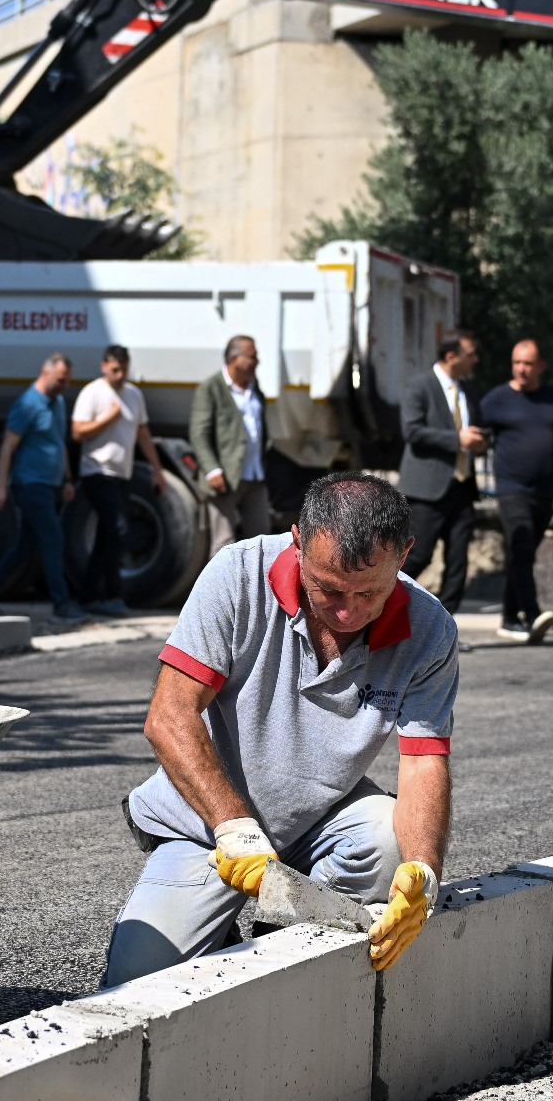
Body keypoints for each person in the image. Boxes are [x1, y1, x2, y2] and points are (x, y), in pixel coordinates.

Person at [100, 472, 455, 987]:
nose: (346, 611)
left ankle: (282, 948)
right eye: (328, 588)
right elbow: (169, 716)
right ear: (298, 540)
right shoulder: (238, 574)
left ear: (404, 555)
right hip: (210, 828)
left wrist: (424, 874)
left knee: (388, 837)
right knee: (136, 983)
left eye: (367, 593)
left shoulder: (430, 630)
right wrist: (234, 828)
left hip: (320, 819)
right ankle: (229, 932)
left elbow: (424, 760)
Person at [478, 340, 553, 642]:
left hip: (543, 491)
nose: (522, 369)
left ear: (540, 366)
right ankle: (532, 615)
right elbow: (473, 431)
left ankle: (508, 618)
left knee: (525, 554)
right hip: (511, 488)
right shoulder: (497, 399)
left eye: (528, 364)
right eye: (517, 362)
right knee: (520, 547)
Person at [0, 353, 87, 625]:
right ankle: (61, 604)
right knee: (53, 538)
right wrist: (0, 486)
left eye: (67, 381)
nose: (64, 386)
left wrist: (68, 480)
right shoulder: (27, 404)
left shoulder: (57, 402)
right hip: (29, 484)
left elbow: (59, 445)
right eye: (60, 380)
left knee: (26, 545)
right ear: (44, 372)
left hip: (50, 486)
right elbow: (7, 446)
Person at [70, 344, 163, 618]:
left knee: (107, 535)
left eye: (123, 369)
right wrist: (107, 418)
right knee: (118, 529)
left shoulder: (134, 394)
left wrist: (157, 469)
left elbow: (143, 434)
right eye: (114, 369)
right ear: (104, 366)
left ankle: (88, 596)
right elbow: (77, 432)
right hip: (96, 471)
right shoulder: (93, 392)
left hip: (122, 474)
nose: (119, 375)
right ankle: (111, 595)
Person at [398, 329, 487, 613]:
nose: (476, 359)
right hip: (427, 490)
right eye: (470, 354)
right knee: (418, 555)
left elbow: (474, 429)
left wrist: (479, 441)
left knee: (458, 561)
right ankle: (382, 611)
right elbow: (412, 431)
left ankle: (445, 629)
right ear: (451, 356)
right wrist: (457, 439)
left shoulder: (468, 391)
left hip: (461, 488)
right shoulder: (420, 386)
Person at [189, 335, 271, 545]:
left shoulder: (254, 388)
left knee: (261, 539)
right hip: (225, 478)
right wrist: (212, 469)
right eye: (252, 356)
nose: (257, 361)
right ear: (235, 359)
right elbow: (199, 432)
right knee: (223, 544)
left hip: (254, 475)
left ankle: (254, 580)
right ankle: (220, 580)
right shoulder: (211, 388)